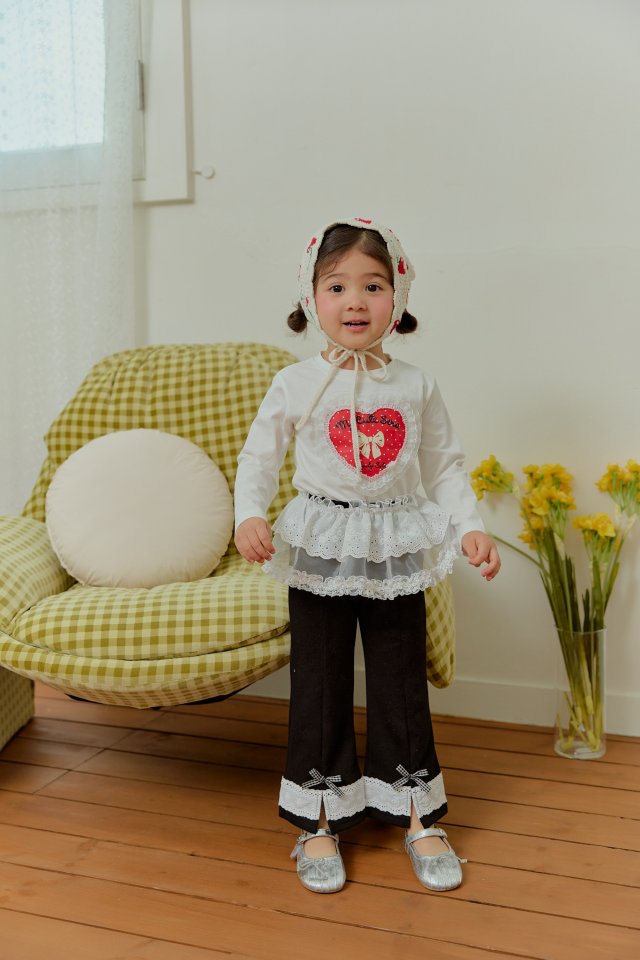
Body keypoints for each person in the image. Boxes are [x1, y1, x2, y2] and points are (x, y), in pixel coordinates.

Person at [233, 217, 500, 894]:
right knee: (319, 678)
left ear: (398, 297)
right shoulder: (295, 383)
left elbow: (444, 465)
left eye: (373, 286)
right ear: (311, 297)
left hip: (395, 547)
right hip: (320, 544)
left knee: (399, 675)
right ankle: (319, 817)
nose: (355, 301)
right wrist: (249, 513)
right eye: (337, 286)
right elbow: (259, 457)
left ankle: (415, 811)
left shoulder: (416, 385)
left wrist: (468, 527)